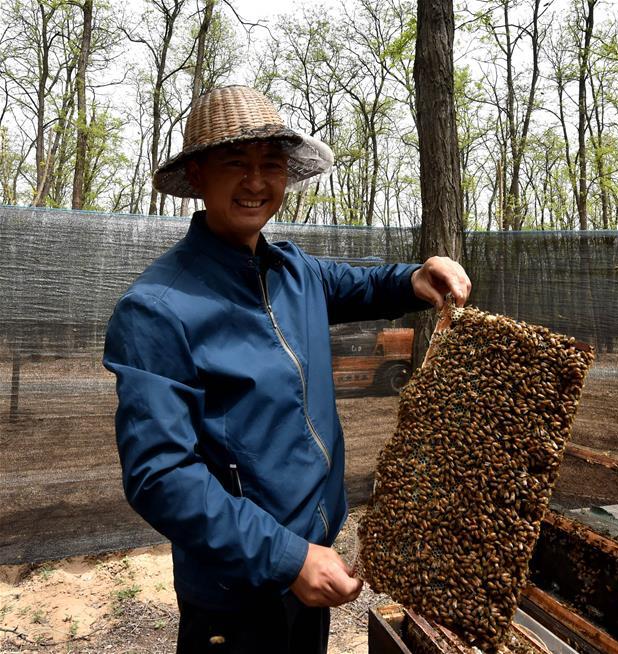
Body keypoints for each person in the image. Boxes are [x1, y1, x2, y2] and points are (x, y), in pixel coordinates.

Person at [102, 85, 471, 653]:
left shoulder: (291, 269)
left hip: (311, 566)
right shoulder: (157, 309)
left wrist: (414, 277)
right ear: (197, 176)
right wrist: (288, 557)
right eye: (235, 164)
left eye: (270, 165)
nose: (256, 182)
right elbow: (160, 475)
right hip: (238, 589)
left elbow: (361, 283)